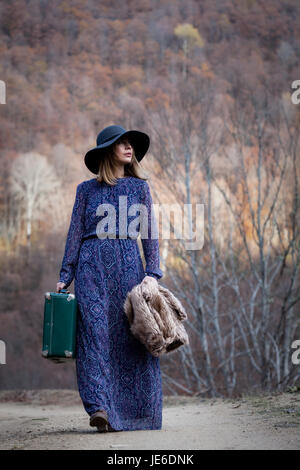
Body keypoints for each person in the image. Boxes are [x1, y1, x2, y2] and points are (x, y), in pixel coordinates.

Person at [56, 125, 163, 433]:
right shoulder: (85, 191)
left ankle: (138, 414)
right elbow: (74, 234)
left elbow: (150, 234)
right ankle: (99, 407)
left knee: (131, 338)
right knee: (93, 335)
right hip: (92, 269)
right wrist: (66, 275)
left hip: (129, 267)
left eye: (131, 144)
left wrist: (152, 273)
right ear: (108, 151)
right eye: (122, 144)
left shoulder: (139, 188)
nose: (129, 148)